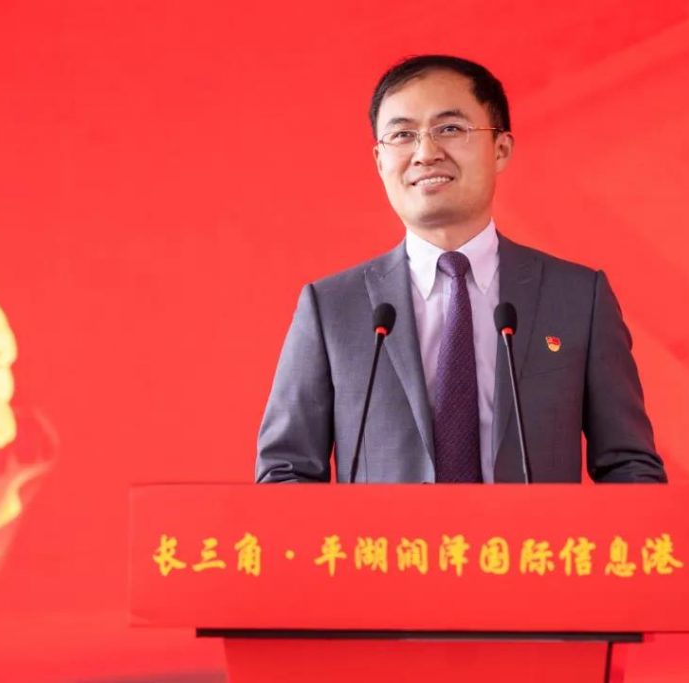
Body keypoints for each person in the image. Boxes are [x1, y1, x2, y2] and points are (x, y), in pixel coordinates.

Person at [256, 55, 666, 484]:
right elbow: (285, 473)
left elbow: (630, 468)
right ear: (379, 160)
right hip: (385, 533)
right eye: (402, 135)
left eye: (450, 129)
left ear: (501, 149)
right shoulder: (332, 308)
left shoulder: (578, 298)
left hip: (532, 533)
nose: (425, 153)